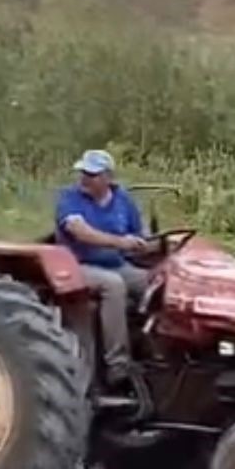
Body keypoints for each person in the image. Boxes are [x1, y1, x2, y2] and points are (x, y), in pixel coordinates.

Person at [54, 149, 150, 382]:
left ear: (108, 177)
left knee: (155, 282)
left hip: (116, 263)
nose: (85, 178)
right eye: (83, 172)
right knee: (113, 285)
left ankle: (157, 350)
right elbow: (79, 231)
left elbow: (140, 234)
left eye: (92, 174)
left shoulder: (123, 200)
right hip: (77, 266)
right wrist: (120, 242)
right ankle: (118, 364)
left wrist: (145, 244)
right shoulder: (70, 198)